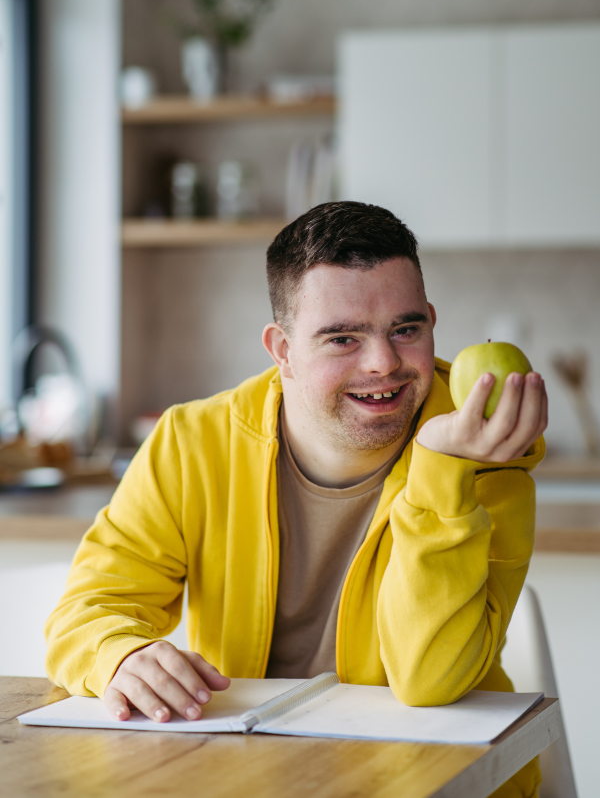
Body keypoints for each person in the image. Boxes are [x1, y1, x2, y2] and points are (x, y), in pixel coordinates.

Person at [46, 202, 547, 798]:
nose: (384, 363)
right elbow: (87, 610)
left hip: (440, 779)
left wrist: (443, 467)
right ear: (281, 348)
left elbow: (429, 679)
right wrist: (119, 655)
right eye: (342, 337)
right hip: (253, 776)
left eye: (405, 330)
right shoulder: (191, 442)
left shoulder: (488, 451)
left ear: (432, 323)